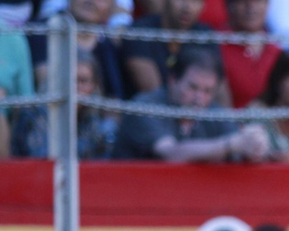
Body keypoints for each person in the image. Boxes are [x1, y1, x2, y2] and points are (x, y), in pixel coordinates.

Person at [114, 46, 269, 162]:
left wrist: (254, 145)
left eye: (208, 91)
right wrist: (230, 145)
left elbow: (240, 145)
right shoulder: (145, 107)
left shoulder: (214, 112)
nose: (199, 98)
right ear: (173, 81)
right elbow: (171, 154)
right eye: (193, 87)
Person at [122, 0, 221, 97]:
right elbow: (154, 95)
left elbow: (219, 92)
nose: (187, 7)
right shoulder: (140, 32)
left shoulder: (205, 35)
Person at [30, 0, 128, 98]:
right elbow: (45, 85)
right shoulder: (42, 30)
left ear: (110, 10)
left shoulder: (108, 46)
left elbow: (114, 98)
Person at [12, 51, 118, 158]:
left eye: (83, 81)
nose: (76, 87)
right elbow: (44, 159)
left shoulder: (94, 121)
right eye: (71, 81)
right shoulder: (35, 114)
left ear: (94, 85)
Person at [219, 0, 280, 109]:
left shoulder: (277, 48)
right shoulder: (217, 46)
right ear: (230, 5)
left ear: (267, 3)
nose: (251, 6)